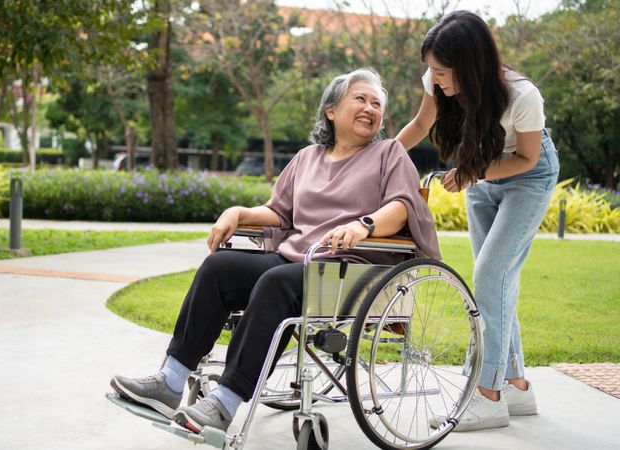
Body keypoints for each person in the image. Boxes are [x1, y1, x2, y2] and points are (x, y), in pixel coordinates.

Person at [111, 68, 440, 434]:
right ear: (331, 110)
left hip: (351, 268)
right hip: (296, 260)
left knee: (275, 282)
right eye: (360, 99)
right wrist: (237, 212)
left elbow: (401, 207)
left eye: (377, 104)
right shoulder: (306, 157)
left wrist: (362, 225)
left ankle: (225, 402)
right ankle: (171, 381)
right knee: (218, 268)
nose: (370, 108)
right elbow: (279, 211)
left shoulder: (388, 153)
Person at [396, 11, 560, 432]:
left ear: (470, 65)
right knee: (497, 281)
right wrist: (378, 158)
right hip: (481, 172)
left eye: (442, 71)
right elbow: (420, 123)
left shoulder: (523, 96)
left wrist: (472, 172)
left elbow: (526, 158)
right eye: (430, 69)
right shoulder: (436, 80)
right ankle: (517, 385)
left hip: (528, 176)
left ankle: (487, 396)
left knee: (490, 275)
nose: (435, 79)